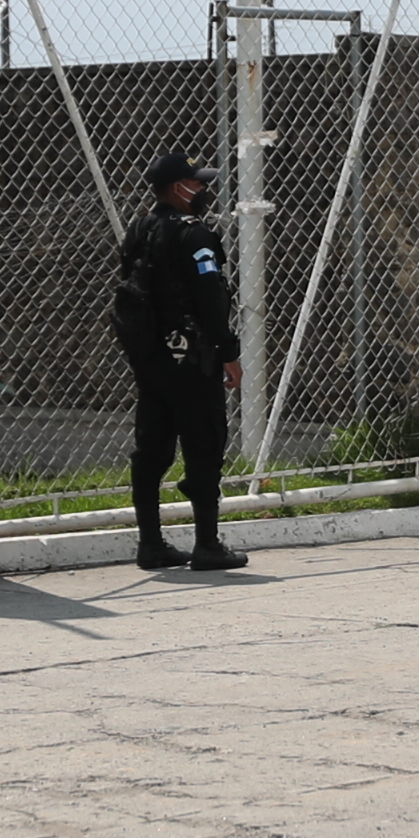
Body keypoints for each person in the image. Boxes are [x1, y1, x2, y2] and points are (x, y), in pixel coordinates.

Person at [114, 150, 248, 574]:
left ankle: (151, 545)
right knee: (203, 446)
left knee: (151, 451)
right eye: (198, 183)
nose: (204, 189)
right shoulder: (195, 235)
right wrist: (229, 354)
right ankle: (207, 544)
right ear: (179, 189)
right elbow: (211, 299)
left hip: (151, 359)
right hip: (192, 360)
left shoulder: (140, 228)